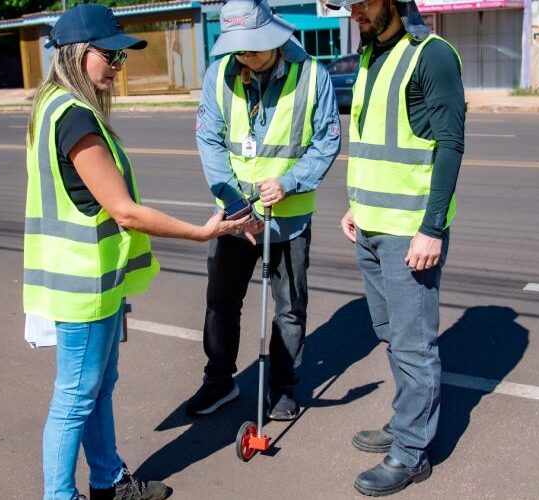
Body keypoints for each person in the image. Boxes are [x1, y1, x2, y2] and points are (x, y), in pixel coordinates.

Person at [23, 5, 250, 500]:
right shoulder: (73, 117)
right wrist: (201, 232)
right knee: (75, 398)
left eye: (121, 57)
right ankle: (59, 496)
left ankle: (107, 481)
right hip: (82, 287)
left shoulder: (56, 107)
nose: (117, 66)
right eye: (111, 55)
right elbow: (124, 212)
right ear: (79, 54)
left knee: (96, 390)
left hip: (95, 282)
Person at [326, 0, 464, 496]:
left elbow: (451, 144)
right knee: (389, 332)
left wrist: (432, 228)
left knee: (413, 342)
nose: (353, 13)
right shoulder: (369, 56)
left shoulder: (432, 55)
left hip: (410, 232)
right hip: (369, 224)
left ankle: (411, 452)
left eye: (361, 4)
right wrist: (354, 205)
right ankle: (407, 419)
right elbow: (371, 144)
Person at [187, 0, 340, 421]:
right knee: (221, 303)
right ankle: (218, 382)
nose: (245, 57)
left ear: (274, 39)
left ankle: (284, 388)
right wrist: (237, 206)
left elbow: (326, 142)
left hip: (288, 218)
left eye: (253, 48)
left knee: (289, 309)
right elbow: (210, 142)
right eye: (238, 49)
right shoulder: (218, 75)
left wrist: (290, 182)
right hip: (236, 218)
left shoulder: (313, 77)